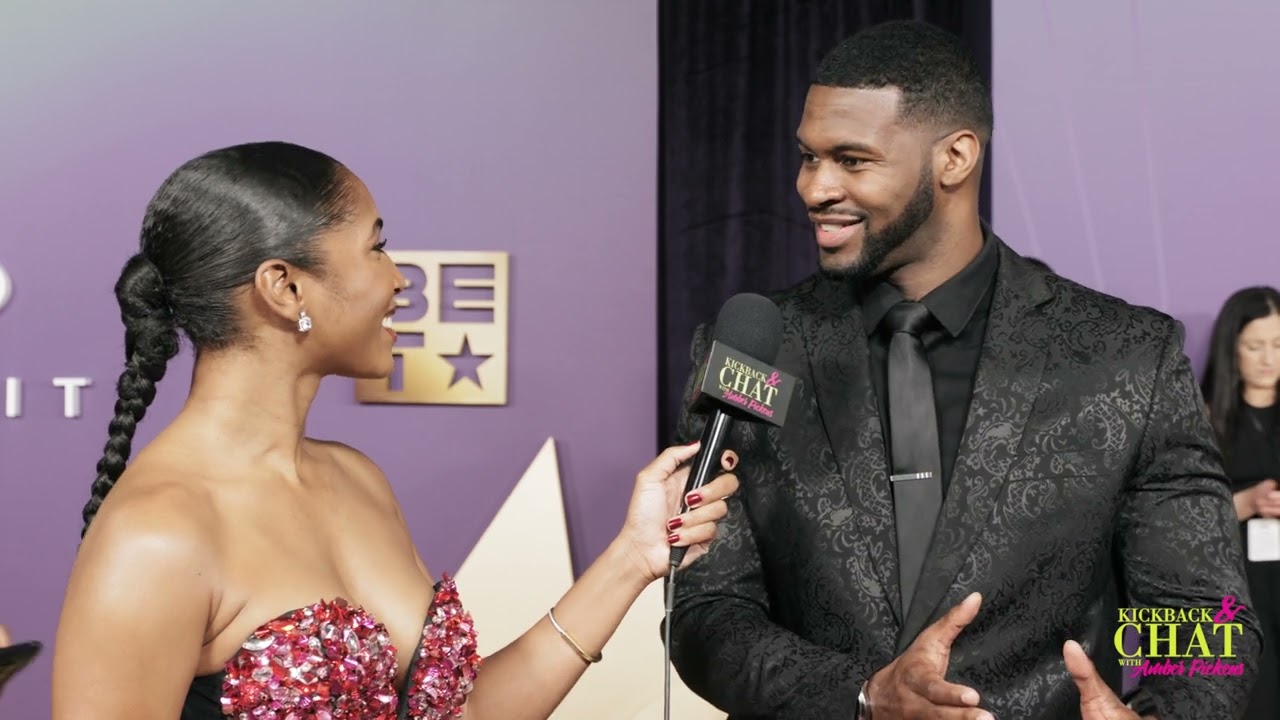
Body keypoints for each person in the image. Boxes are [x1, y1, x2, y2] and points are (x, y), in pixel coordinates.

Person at [666, 20, 1260, 720]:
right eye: (808, 157)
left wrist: (1160, 716)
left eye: (852, 160)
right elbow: (708, 607)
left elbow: (1198, 617)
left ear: (955, 158)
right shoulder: (755, 348)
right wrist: (861, 699)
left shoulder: (1126, 356)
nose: (814, 187)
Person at [50, 141, 740, 720]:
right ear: (285, 288)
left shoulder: (355, 477)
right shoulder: (156, 534)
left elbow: (464, 714)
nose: (400, 280)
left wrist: (634, 556)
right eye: (377, 248)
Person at [1201, 286, 1280, 720]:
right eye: (1255, 345)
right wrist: (1247, 503)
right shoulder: (1206, 420)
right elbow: (1182, 520)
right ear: (1232, 348)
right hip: (1236, 595)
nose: (1268, 358)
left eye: (1279, 344)